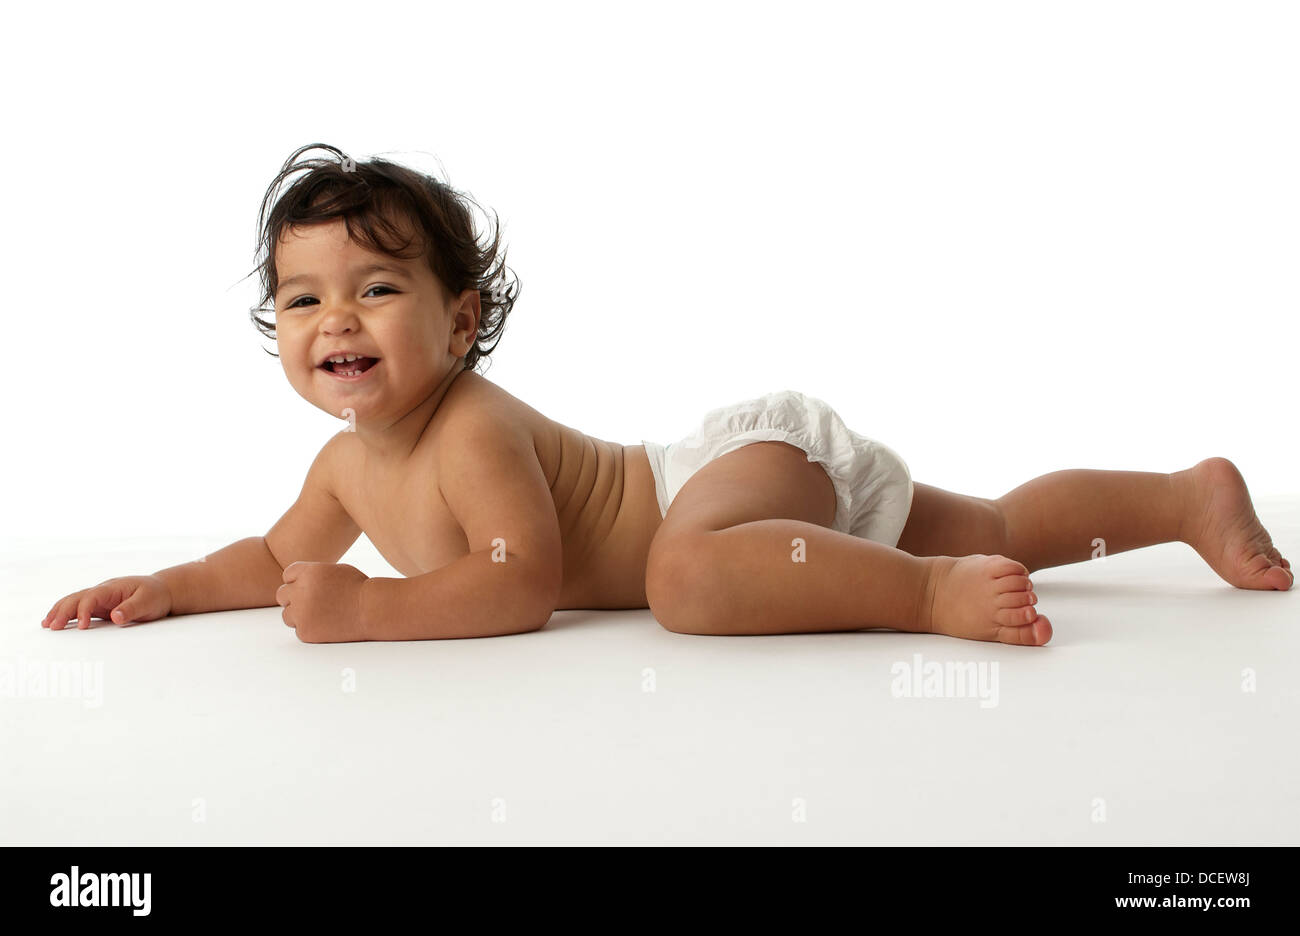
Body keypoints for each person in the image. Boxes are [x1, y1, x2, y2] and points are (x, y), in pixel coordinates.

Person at [41, 144, 1293, 646]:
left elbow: (519, 579)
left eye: (375, 289)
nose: (337, 322)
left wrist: (374, 611)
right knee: (1007, 525)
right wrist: (169, 589)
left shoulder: (469, 427)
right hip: (776, 527)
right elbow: (273, 555)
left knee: (680, 579)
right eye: (304, 300)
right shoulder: (344, 469)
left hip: (718, 483)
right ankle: (1181, 497)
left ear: (461, 321)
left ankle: (924, 597)